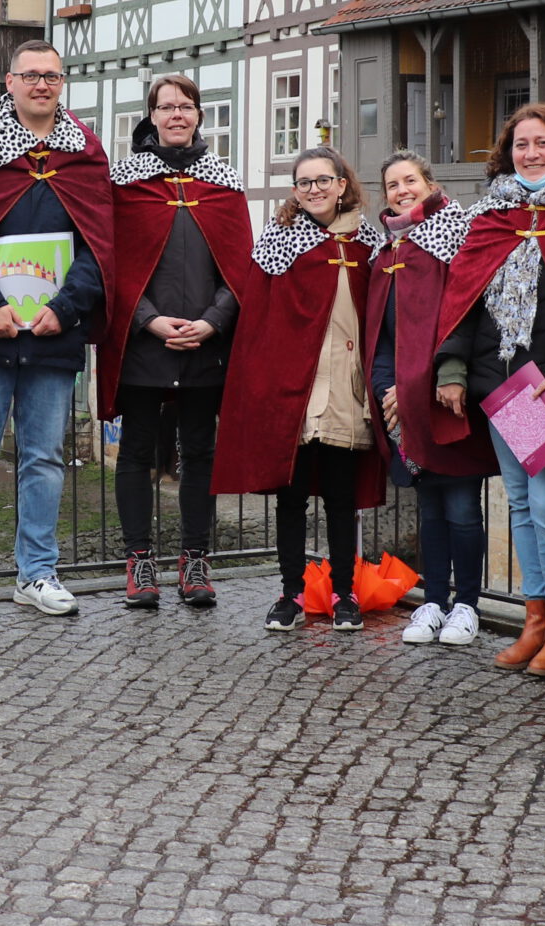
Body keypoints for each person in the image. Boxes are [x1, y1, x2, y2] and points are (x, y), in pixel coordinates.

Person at [433, 104, 545, 675]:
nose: (530, 153)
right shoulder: (491, 215)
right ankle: (534, 620)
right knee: (518, 503)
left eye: (541, 143)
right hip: (498, 382)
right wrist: (453, 370)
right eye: (520, 144)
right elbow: (465, 295)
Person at [0, 40, 113, 623]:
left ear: (62, 83)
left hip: (53, 330)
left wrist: (66, 307)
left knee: (43, 457)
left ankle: (37, 572)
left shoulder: (84, 152)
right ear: (9, 81)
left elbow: (100, 243)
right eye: (31, 75)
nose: (42, 84)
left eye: (52, 76)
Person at [216, 147, 387, 632]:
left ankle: (344, 594)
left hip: (347, 390)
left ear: (341, 185)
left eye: (323, 180)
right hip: (294, 392)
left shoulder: (368, 244)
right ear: (295, 191)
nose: (314, 189)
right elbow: (259, 325)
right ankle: (290, 593)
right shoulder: (280, 242)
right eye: (305, 182)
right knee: (291, 499)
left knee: (340, 496)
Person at [95, 76, 249, 610]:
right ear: (152, 116)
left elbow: (240, 270)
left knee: (200, 451)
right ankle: (139, 560)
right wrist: (148, 321)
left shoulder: (224, 185)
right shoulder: (127, 184)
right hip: (145, 341)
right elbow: (110, 264)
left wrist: (213, 322)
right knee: (136, 450)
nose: (177, 115)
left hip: (207, 341)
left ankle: (195, 558)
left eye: (186, 107)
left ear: (200, 115)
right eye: (166, 107)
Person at [367, 153, 497, 649]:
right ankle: (433, 599)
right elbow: (381, 334)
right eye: (392, 184)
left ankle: (467, 603)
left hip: (445, 395)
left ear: (429, 184)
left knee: (463, 506)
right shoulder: (387, 251)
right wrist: (387, 388)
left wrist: (413, 384)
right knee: (430, 509)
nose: (401, 190)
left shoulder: (455, 237)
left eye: (409, 181)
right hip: (401, 402)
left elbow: (457, 320)